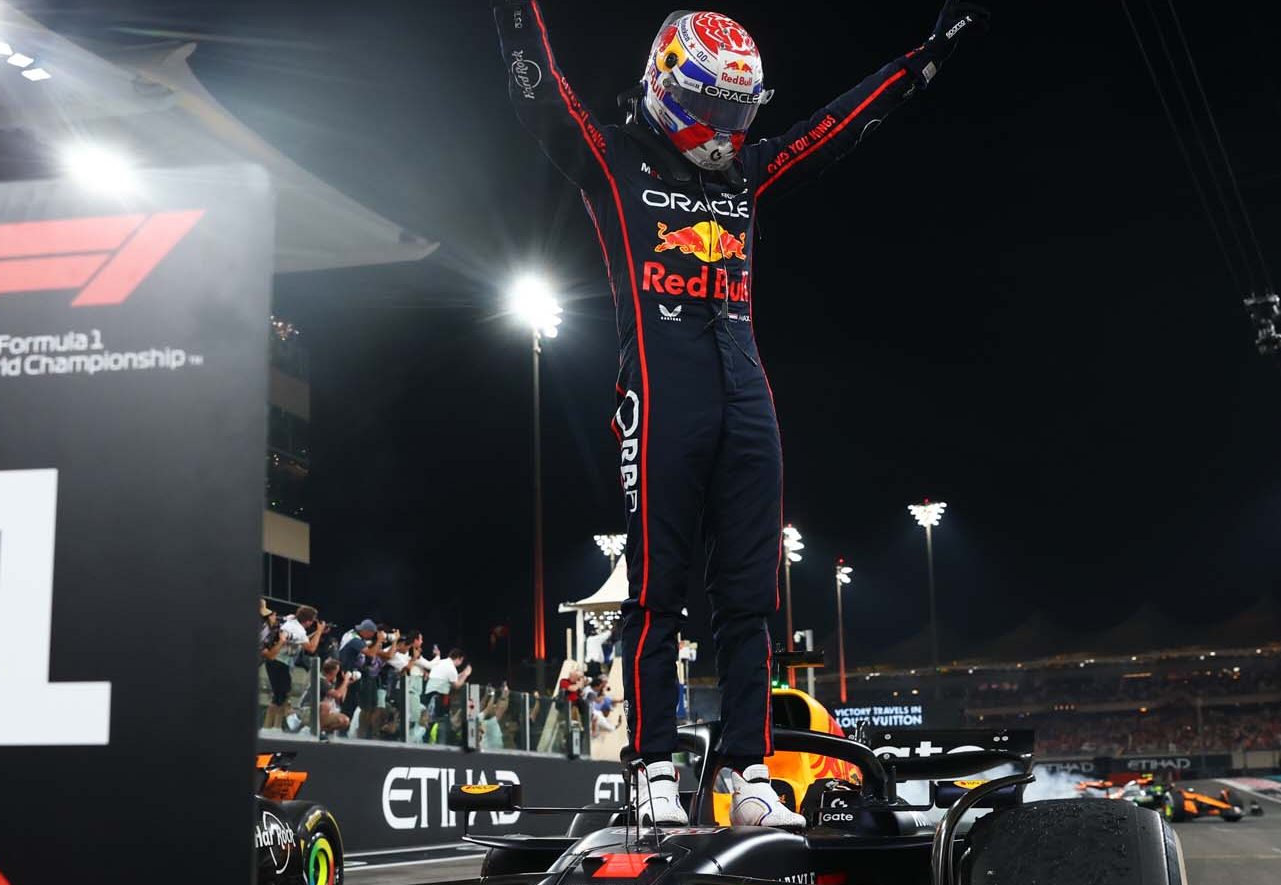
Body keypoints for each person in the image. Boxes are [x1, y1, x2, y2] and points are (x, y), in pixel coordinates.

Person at [493, 0, 985, 828]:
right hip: (660, 390)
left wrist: (922, 60)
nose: (725, 126)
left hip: (747, 395)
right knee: (658, 591)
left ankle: (747, 770)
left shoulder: (746, 172)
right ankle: (651, 769)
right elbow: (542, 92)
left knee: (752, 599)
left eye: (738, 110)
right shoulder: (614, 159)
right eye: (713, 106)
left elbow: (833, 127)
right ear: (667, 87)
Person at [420, 646, 473, 743]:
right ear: (459, 659)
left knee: (430, 723)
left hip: (429, 696)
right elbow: (456, 685)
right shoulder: (451, 668)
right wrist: (466, 675)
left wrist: (463, 673)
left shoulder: (442, 662)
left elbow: (453, 678)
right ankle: (441, 745)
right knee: (442, 724)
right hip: (439, 698)